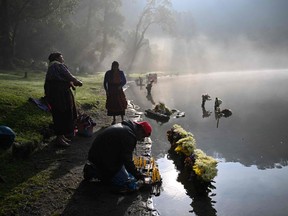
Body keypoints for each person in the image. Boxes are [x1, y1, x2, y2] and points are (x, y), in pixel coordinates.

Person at [83, 120, 152, 192]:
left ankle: (95, 169)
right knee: (124, 181)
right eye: (143, 136)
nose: (141, 139)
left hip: (99, 154)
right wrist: (138, 176)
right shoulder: (129, 136)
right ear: (140, 130)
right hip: (101, 158)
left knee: (125, 172)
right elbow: (127, 160)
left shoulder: (126, 128)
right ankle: (93, 171)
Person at [44, 52, 83, 147]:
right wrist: (77, 81)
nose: (63, 59)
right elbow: (68, 76)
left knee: (59, 113)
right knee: (62, 113)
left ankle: (61, 136)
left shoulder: (51, 66)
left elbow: (62, 78)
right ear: (57, 58)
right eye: (61, 57)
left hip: (55, 93)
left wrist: (71, 84)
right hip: (60, 94)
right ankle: (59, 138)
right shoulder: (58, 65)